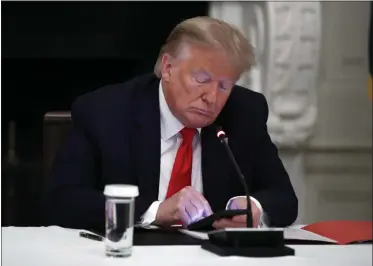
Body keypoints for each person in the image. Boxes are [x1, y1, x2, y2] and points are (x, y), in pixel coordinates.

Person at [44, 16, 298, 233]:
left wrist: (254, 207)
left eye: (224, 85)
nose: (212, 97)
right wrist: (154, 211)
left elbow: (284, 198)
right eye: (201, 79)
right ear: (167, 67)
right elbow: (62, 201)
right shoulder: (105, 111)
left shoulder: (245, 111)